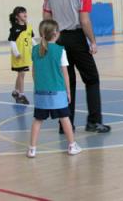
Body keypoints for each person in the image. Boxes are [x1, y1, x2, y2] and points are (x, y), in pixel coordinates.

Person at [43, 0, 110, 134]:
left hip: (57, 39)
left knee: (67, 81)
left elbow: (46, 18)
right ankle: (94, 122)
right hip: (76, 38)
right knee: (92, 79)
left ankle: (65, 125)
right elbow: (85, 20)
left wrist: (50, 41)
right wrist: (93, 41)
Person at [27, 19, 82, 158]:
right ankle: (71, 145)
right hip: (57, 92)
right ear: (56, 33)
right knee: (65, 118)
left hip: (40, 92)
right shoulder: (59, 51)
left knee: (37, 120)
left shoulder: (35, 50)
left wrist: (38, 86)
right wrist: (68, 91)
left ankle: (32, 149)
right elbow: (65, 75)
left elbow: (34, 72)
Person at [8, 6, 36, 105]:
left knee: (21, 74)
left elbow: (31, 39)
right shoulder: (14, 29)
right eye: (22, 12)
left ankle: (16, 91)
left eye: (25, 11)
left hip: (26, 55)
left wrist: (36, 47)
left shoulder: (29, 26)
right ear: (17, 16)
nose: (25, 14)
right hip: (19, 56)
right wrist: (16, 53)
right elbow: (12, 42)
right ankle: (21, 95)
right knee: (21, 75)